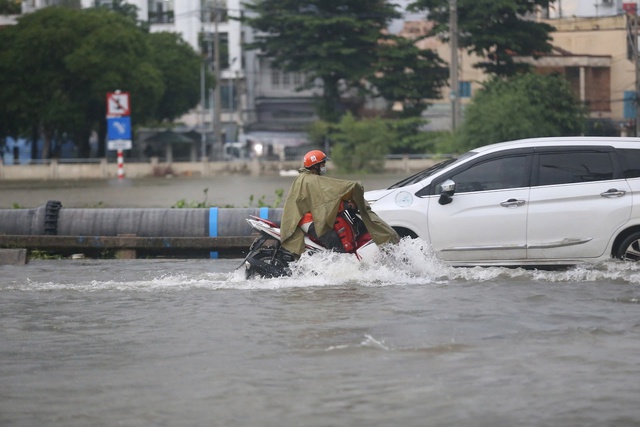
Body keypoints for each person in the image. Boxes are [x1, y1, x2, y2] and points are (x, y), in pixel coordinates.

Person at [280, 150, 400, 256]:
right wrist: (352, 192)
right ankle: (340, 268)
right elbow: (325, 201)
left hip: (312, 218)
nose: (324, 166)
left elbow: (329, 194)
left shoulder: (307, 178)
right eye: (322, 163)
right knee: (337, 244)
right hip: (310, 221)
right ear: (315, 166)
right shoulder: (311, 181)